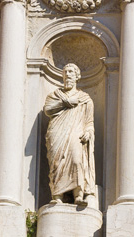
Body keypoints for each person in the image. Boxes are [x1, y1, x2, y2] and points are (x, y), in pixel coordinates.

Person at [44, 63, 96, 205]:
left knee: (76, 160)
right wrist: (65, 102)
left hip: (76, 133)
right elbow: (48, 110)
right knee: (57, 162)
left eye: (71, 72)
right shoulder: (55, 95)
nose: (68, 74)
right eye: (66, 72)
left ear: (77, 76)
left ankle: (78, 195)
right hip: (57, 133)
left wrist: (88, 132)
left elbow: (89, 122)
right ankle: (57, 196)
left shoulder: (85, 99)